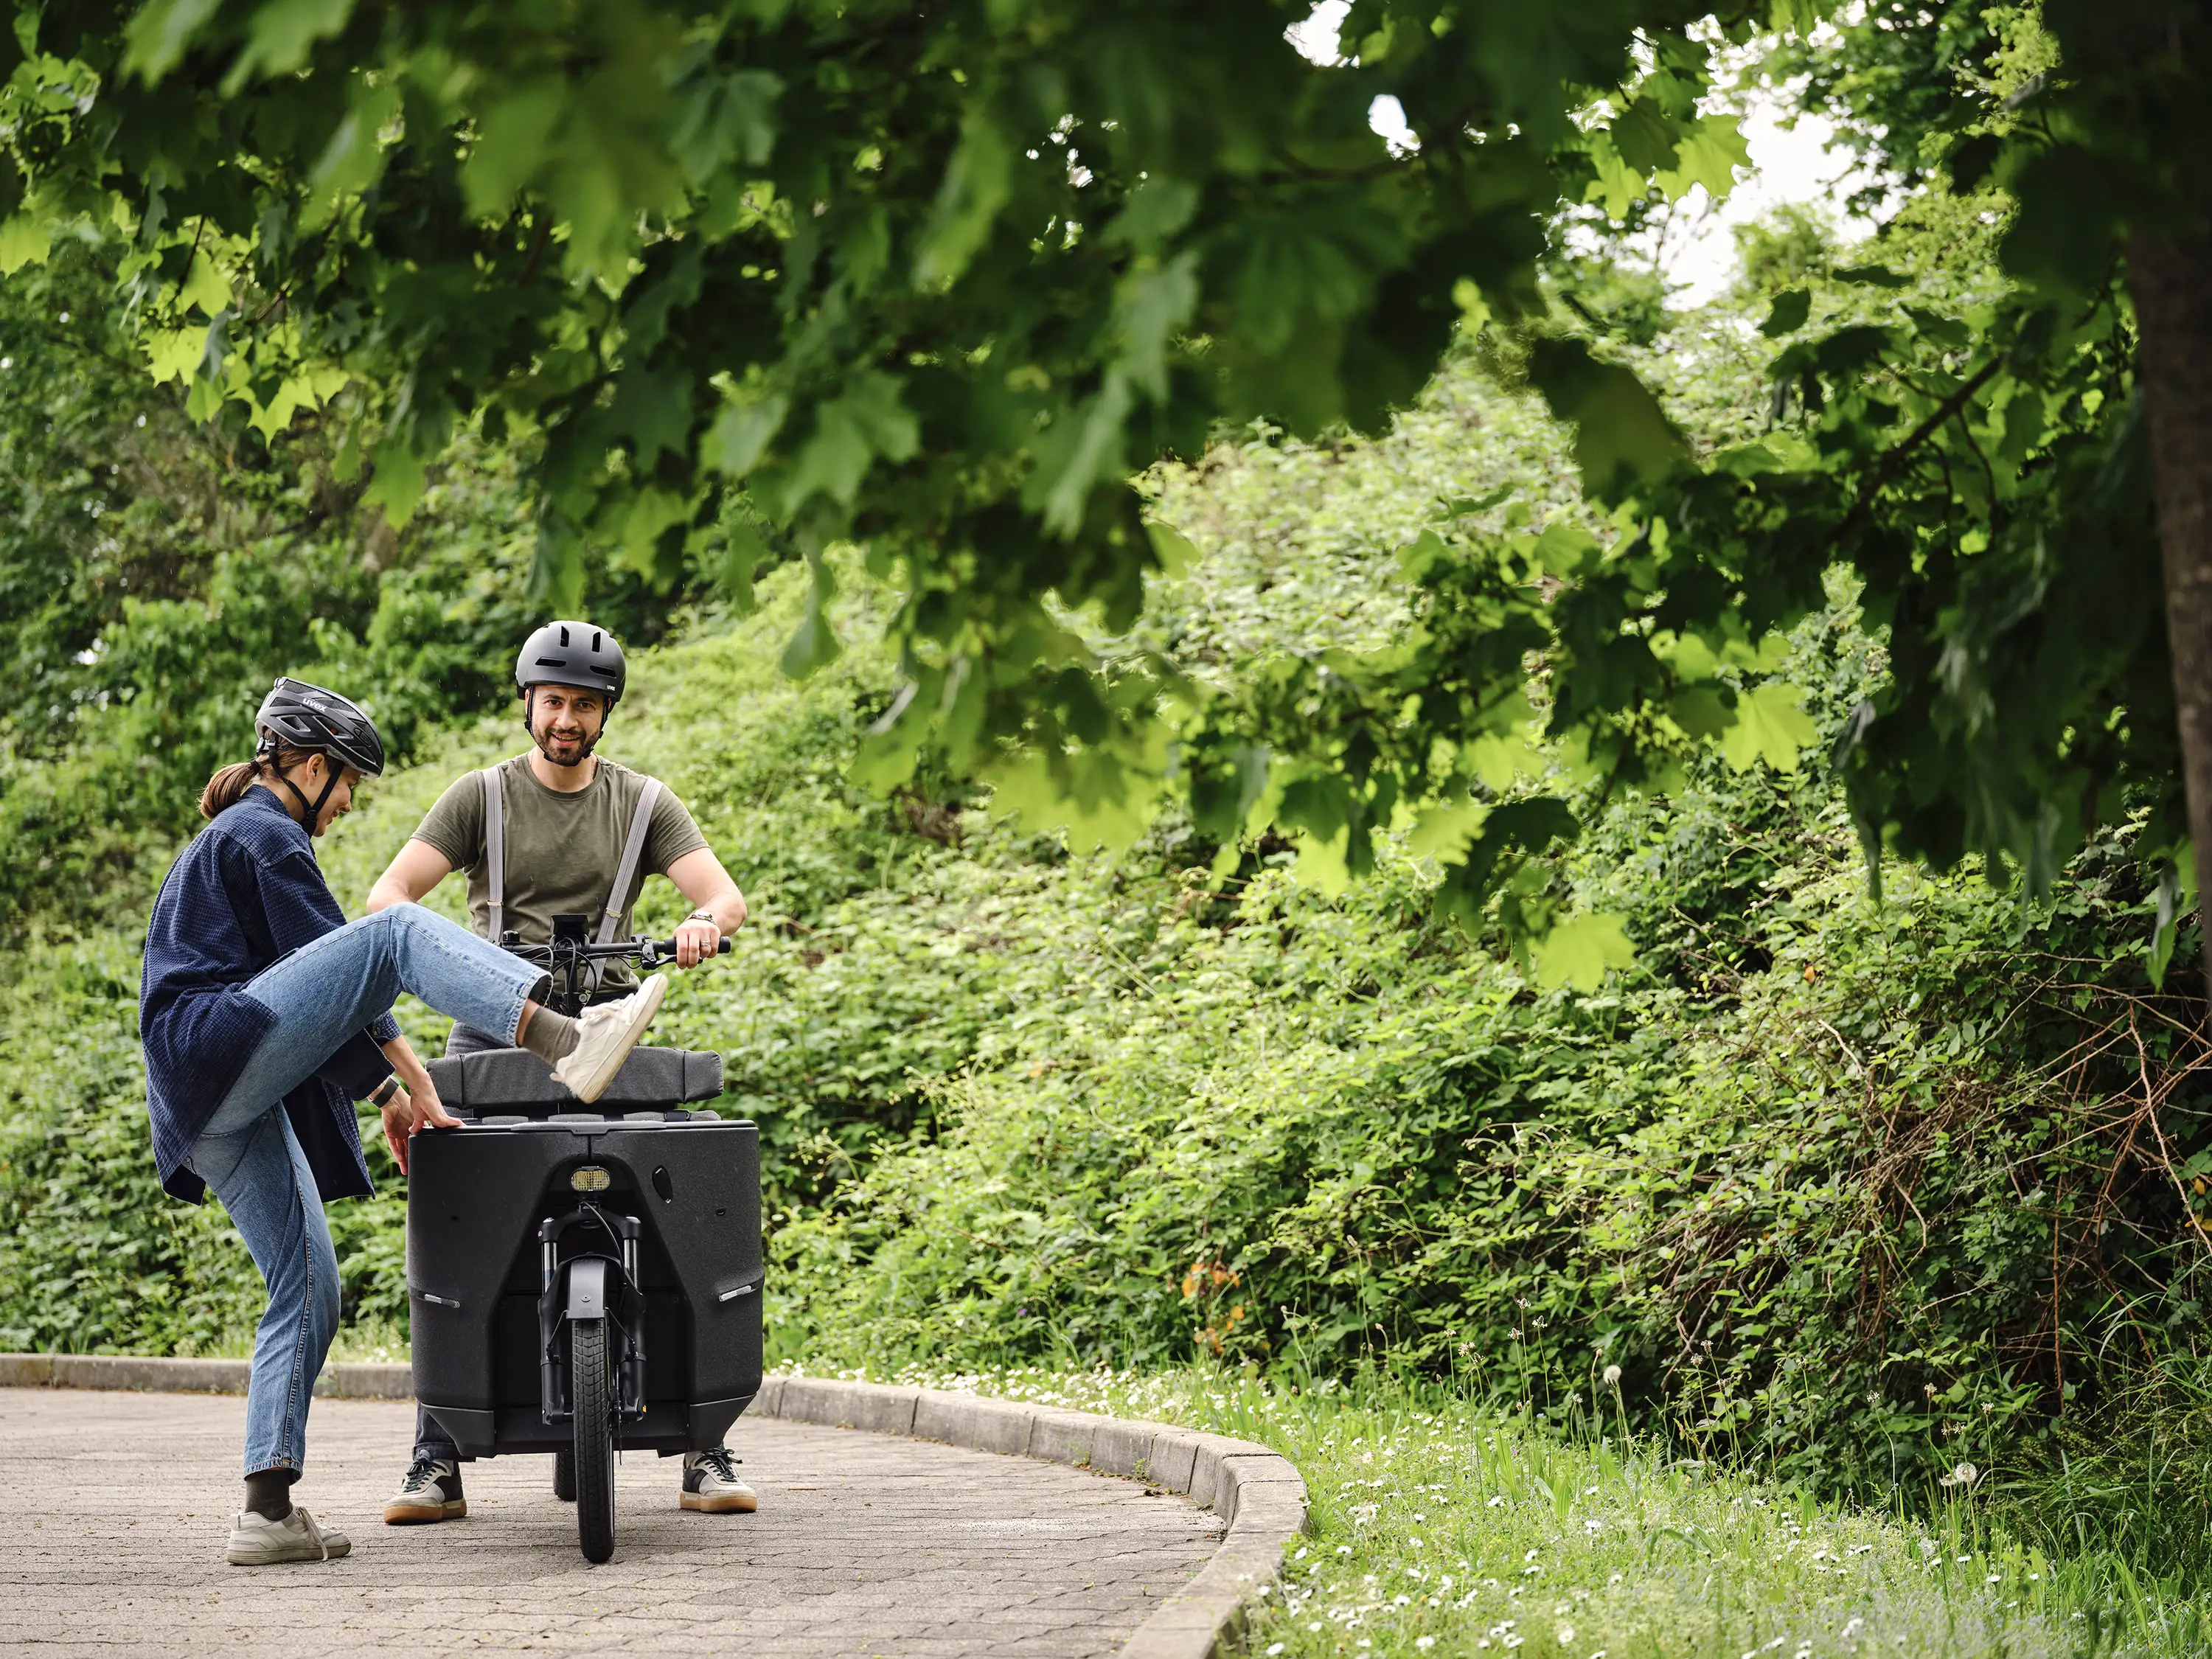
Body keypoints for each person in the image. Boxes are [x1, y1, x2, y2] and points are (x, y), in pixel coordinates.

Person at [142, 678, 671, 1566]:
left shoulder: (240, 836)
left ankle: (265, 1512)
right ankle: (564, 1041)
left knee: (307, 1282)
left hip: (204, 1100)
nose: (348, 804)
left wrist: (401, 1089)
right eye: (346, 782)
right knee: (395, 930)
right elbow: (349, 961)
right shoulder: (262, 832)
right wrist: (405, 1079)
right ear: (309, 767)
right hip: (216, 1047)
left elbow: (320, 987)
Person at [365, 620, 757, 1523]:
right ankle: (434, 1455)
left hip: (610, 1031)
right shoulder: (480, 799)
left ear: (605, 712)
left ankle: (706, 1447)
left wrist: (705, 928)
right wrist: (454, 952)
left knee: (682, 1212)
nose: (567, 718)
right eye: (554, 701)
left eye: (584, 704)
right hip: (493, 1041)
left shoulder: (646, 803)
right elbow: (389, 900)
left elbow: (723, 896)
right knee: (454, 1228)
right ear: (528, 704)